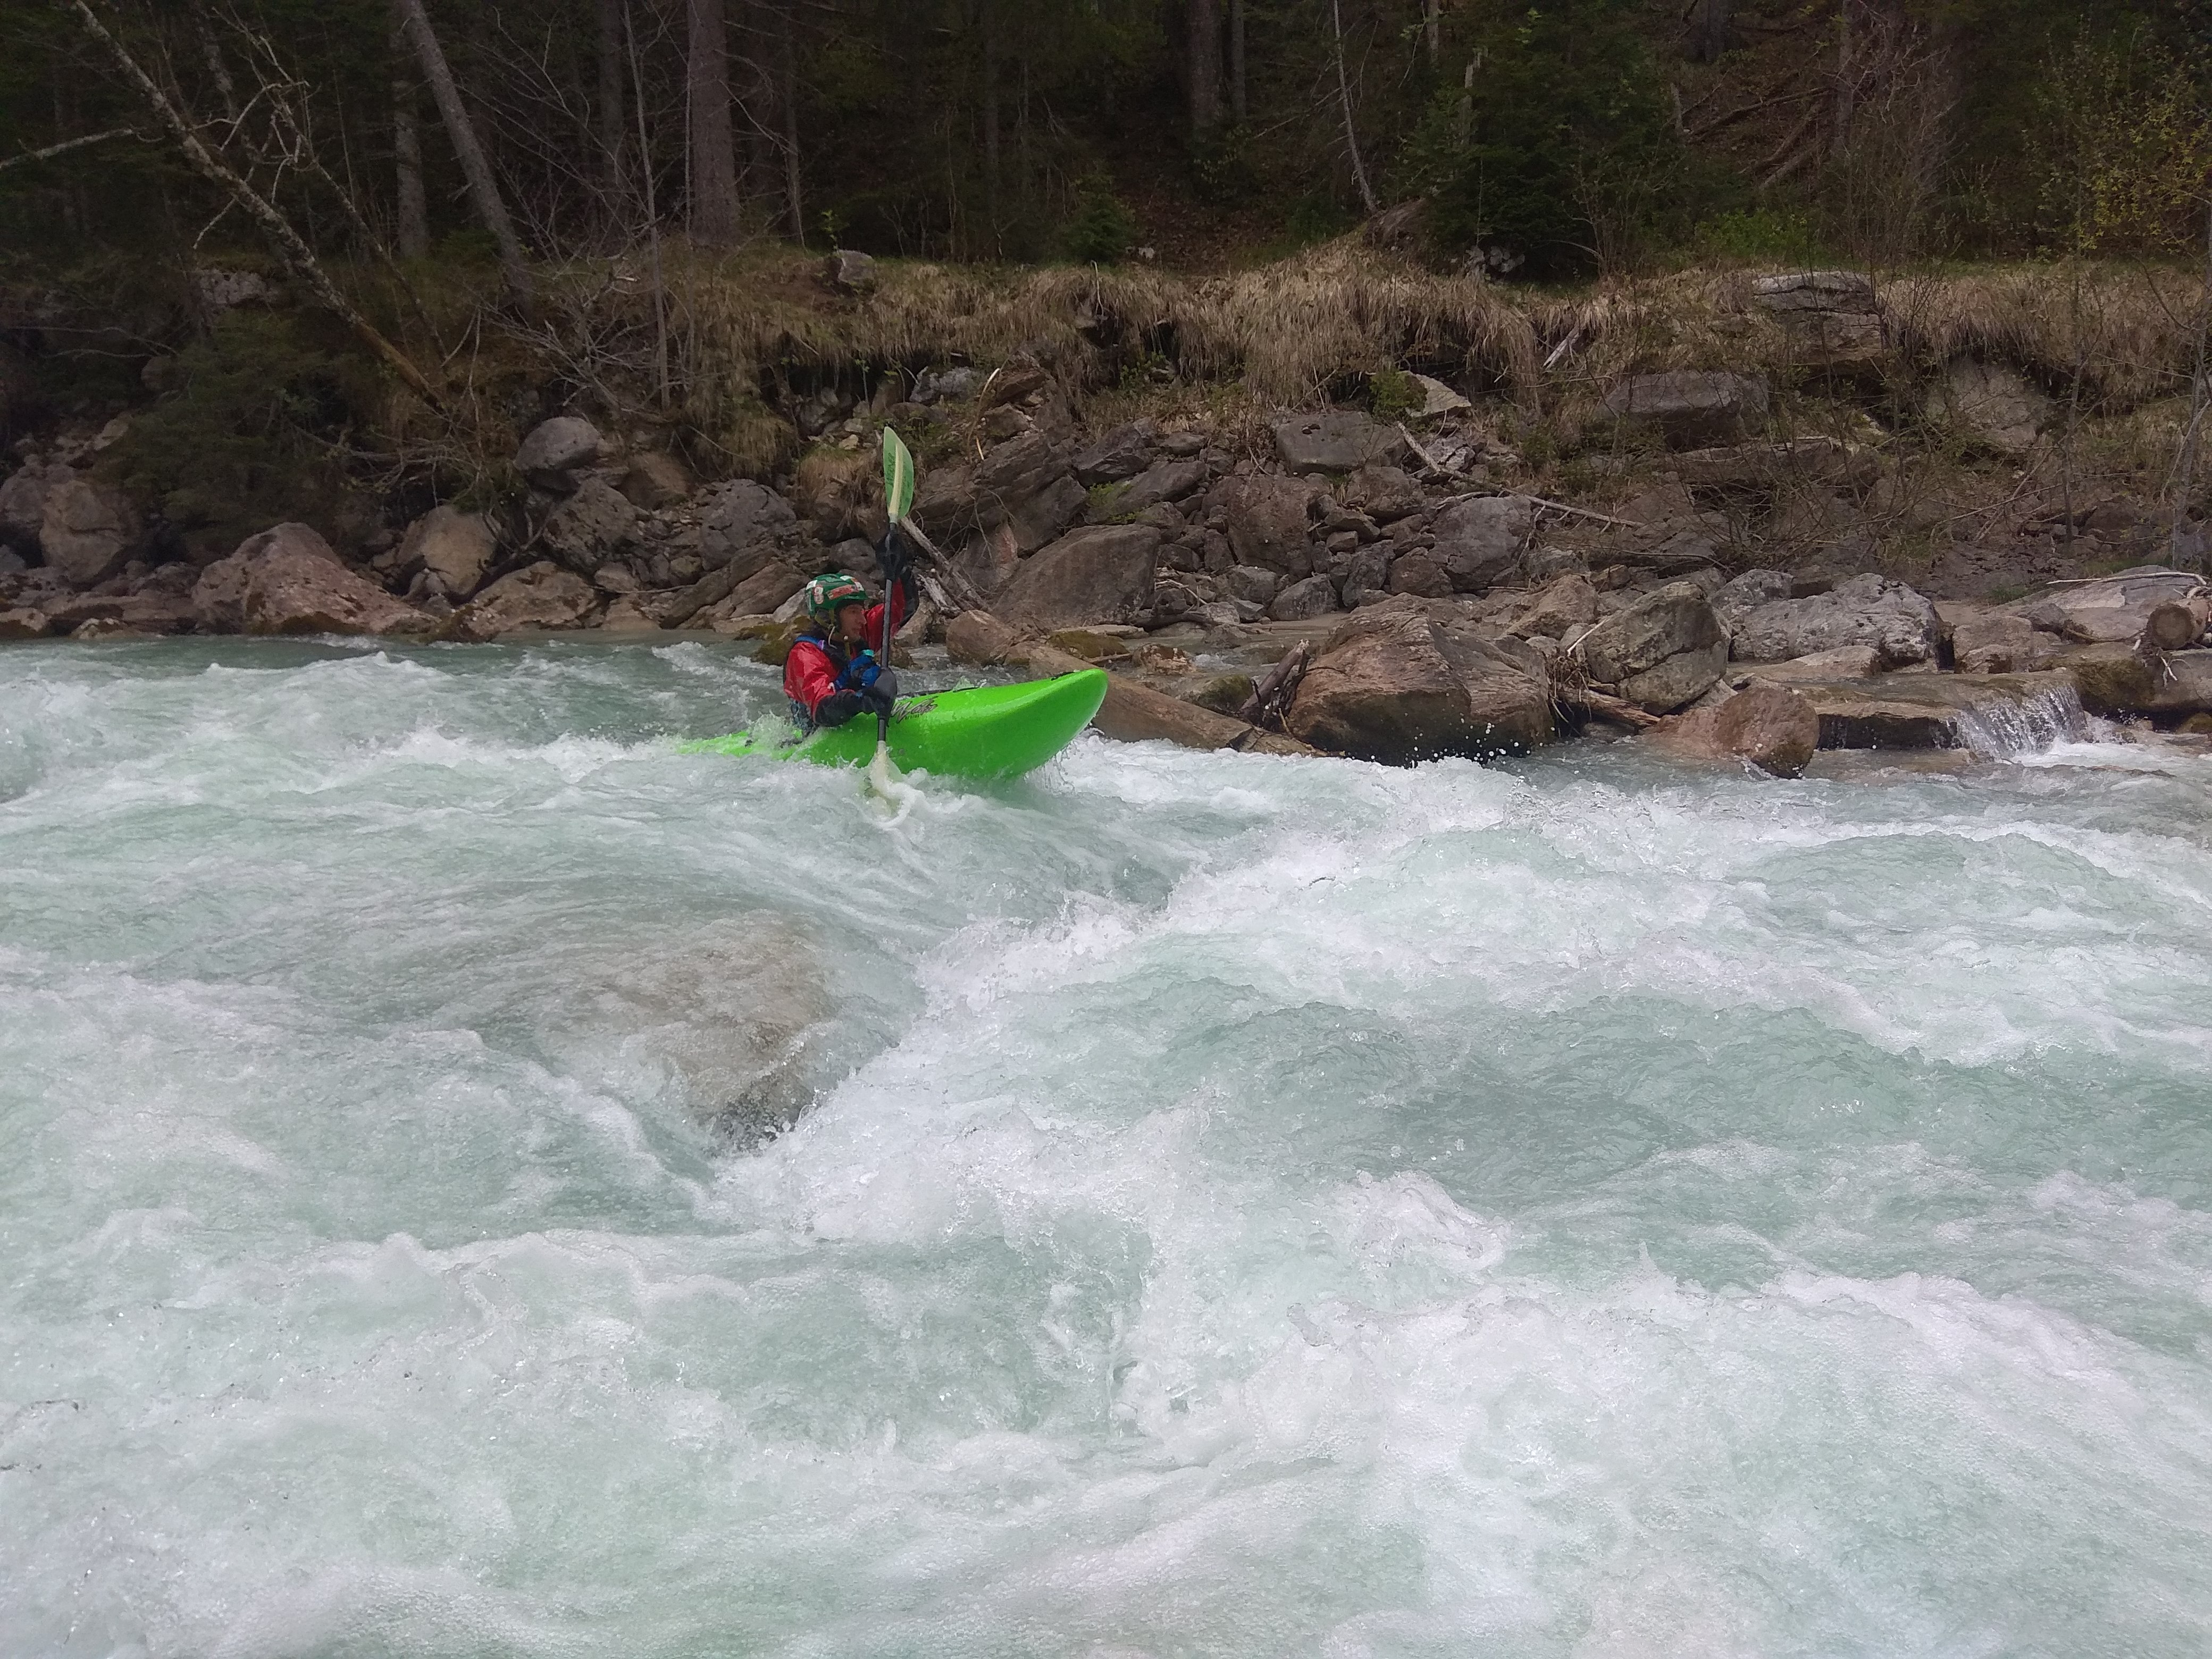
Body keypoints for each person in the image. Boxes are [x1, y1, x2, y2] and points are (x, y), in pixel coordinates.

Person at [783, 531, 916, 732]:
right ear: (829, 617)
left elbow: (900, 609)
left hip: (856, 718)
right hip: (818, 735)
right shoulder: (805, 655)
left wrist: (900, 572)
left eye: (862, 610)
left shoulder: (857, 633)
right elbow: (822, 708)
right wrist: (863, 701)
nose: (863, 619)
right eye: (853, 611)